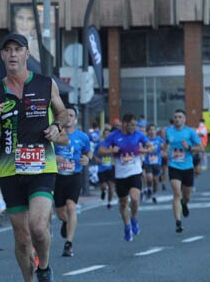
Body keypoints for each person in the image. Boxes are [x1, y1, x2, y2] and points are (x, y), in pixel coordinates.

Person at [0, 32, 68, 282]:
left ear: (27, 54)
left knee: (39, 227)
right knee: (21, 236)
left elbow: (63, 113)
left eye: (18, 49)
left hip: (43, 164)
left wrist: (58, 128)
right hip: (9, 169)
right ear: (3, 56)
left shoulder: (44, 84)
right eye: (8, 51)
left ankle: (45, 269)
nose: (13, 54)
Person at [96, 113, 152, 242]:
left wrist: (147, 150)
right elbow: (100, 150)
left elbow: (151, 145)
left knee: (135, 198)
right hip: (120, 175)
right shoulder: (113, 136)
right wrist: (111, 151)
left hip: (135, 172)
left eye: (135, 125)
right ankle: (127, 226)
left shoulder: (138, 134)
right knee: (123, 203)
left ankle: (134, 218)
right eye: (132, 125)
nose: (134, 127)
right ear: (124, 124)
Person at [53, 107, 90, 257]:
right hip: (58, 176)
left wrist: (87, 159)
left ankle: (69, 244)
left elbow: (88, 152)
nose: (68, 118)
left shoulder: (82, 137)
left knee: (71, 206)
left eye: (71, 115)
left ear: (75, 119)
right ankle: (66, 222)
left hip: (74, 175)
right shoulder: (55, 136)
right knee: (61, 212)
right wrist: (54, 158)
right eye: (66, 115)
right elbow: (46, 152)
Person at [164, 110, 204, 233]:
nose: (177, 119)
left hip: (187, 167)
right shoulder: (168, 131)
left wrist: (190, 147)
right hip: (173, 166)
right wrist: (165, 152)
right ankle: (178, 222)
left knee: (186, 196)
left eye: (180, 117)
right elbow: (166, 144)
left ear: (184, 119)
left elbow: (201, 147)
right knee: (177, 193)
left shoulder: (190, 132)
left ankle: (184, 204)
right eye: (175, 117)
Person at [142, 124, 164, 204]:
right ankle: (149, 188)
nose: (152, 131)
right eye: (150, 130)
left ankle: (154, 194)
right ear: (148, 132)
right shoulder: (146, 140)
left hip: (157, 162)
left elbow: (163, 147)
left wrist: (164, 149)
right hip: (148, 162)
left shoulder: (159, 139)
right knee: (149, 178)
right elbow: (142, 148)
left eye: (153, 129)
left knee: (156, 180)